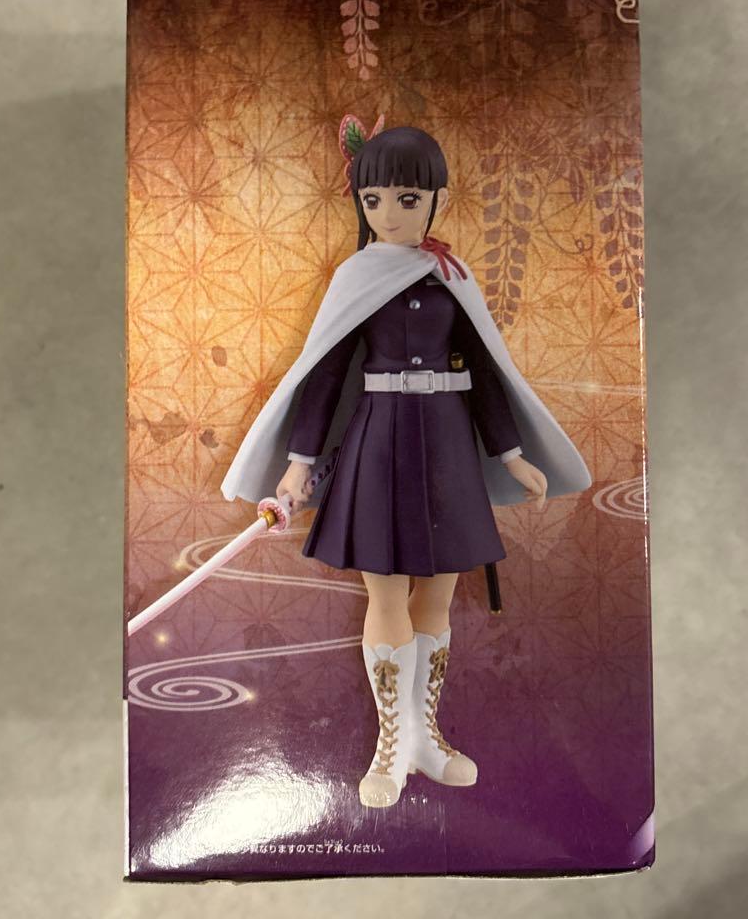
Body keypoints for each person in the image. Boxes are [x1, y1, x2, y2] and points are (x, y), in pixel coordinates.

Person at [222, 120, 591, 808]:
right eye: (374, 200)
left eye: (407, 199)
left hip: (448, 444)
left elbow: (487, 370)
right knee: (386, 593)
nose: (389, 214)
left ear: (438, 200)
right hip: (380, 442)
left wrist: (511, 453)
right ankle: (392, 744)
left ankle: (427, 735)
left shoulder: (453, 276)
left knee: (438, 594)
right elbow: (325, 373)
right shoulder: (356, 277)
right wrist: (299, 463)